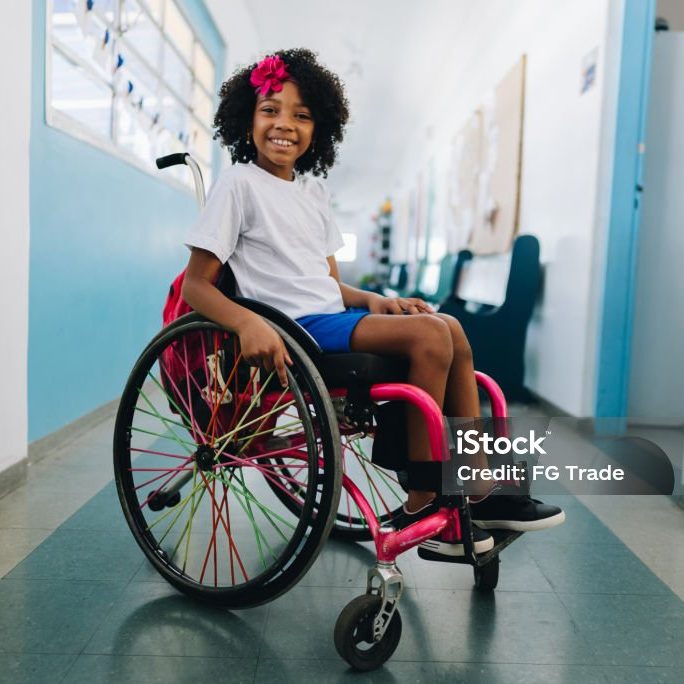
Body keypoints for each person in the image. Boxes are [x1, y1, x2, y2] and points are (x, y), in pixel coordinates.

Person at [182, 49, 564, 561]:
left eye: (301, 115)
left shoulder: (313, 192)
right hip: (293, 328)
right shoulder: (237, 185)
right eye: (271, 109)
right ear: (246, 117)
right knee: (432, 335)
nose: (284, 125)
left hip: (330, 317)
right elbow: (196, 288)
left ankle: (477, 487)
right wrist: (248, 323)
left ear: (318, 128)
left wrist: (381, 302)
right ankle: (422, 495)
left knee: (443, 324)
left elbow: (330, 284)